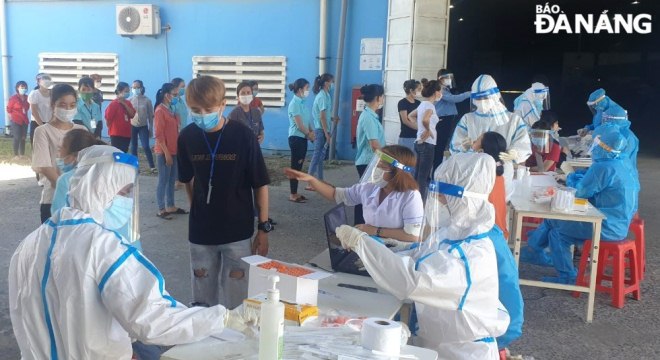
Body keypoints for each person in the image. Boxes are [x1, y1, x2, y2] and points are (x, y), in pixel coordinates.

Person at [10, 145, 257, 359]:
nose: (127, 201)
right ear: (100, 186)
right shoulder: (103, 247)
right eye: (125, 192)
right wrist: (222, 318)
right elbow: (151, 318)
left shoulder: (28, 245)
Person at [335, 153, 510, 359]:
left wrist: (363, 243)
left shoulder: (469, 256)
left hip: (462, 353)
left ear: (463, 199)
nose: (437, 199)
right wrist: (392, 247)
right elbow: (423, 253)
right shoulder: (456, 234)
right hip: (440, 344)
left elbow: (412, 281)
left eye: (442, 194)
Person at [178, 75, 271, 309]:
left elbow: (260, 183)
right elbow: (187, 179)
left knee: (237, 301)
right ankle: (203, 340)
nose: (201, 115)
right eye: (195, 109)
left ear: (223, 104)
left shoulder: (242, 136)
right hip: (201, 233)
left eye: (208, 109)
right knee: (201, 301)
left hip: (237, 232)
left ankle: (235, 342)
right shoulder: (187, 137)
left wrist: (263, 228)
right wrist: (195, 208)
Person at [521, 128, 638, 284]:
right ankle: (535, 249)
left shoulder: (604, 167)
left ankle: (565, 275)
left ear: (604, 147)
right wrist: (577, 177)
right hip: (619, 224)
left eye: (598, 143)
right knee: (553, 222)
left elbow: (581, 191)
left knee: (557, 229)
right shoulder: (621, 164)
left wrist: (570, 177)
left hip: (605, 226)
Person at [285, 145, 423, 243]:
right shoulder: (370, 188)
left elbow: (412, 236)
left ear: (397, 172)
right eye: (377, 165)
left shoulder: (410, 196)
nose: (376, 170)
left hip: (398, 256)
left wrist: (375, 231)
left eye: (382, 166)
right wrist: (312, 180)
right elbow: (336, 195)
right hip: (371, 250)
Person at [450, 74, 531, 197]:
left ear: (496, 95)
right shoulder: (468, 119)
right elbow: (455, 147)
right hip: (473, 174)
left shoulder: (513, 120)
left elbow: (523, 145)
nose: (481, 102)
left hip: (501, 174)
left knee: (497, 209)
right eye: (477, 99)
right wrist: (464, 148)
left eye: (485, 98)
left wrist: (515, 153)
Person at [31, 84, 87, 223]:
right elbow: (44, 166)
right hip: (53, 200)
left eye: (72, 105)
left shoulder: (81, 129)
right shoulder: (43, 131)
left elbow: (89, 163)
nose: (68, 109)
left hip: (81, 201)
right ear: (52, 105)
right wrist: (66, 192)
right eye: (62, 105)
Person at [51, 129, 105, 214]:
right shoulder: (105, 173)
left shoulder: (66, 180)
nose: (58, 154)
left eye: (60, 149)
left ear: (75, 156)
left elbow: (58, 216)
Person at [154, 83, 187, 220]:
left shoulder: (170, 110)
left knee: (172, 179)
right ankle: (161, 208)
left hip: (174, 149)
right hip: (164, 152)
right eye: (174, 94)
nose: (177, 96)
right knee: (163, 180)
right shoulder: (160, 111)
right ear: (167, 95)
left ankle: (171, 205)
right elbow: (159, 135)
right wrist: (167, 153)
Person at [355, 84, 386, 225]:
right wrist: (388, 161)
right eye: (382, 96)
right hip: (368, 162)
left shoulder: (371, 116)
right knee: (365, 197)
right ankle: (359, 226)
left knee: (368, 196)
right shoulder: (368, 117)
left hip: (371, 161)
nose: (383, 99)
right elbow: (374, 144)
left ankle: (363, 225)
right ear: (378, 98)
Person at [409, 79, 443, 201]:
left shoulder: (422, 104)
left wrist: (421, 129)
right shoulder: (430, 106)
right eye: (440, 91)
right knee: (423, 177)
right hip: (428, 144)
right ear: (435, 92)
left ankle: (412, 200)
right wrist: (428, 130)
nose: (441, 93)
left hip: (419, 143)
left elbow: (410, 116)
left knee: (417, 176)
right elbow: (425, 119)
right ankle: (419, 204)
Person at [434, 70, 471, 169]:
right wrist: (469, 94)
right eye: (447, 78)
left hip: (447, 119)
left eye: (450, 78)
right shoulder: (440, 90)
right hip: (442, 120)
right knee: (439, 147)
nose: (449, 80)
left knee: (441, 146)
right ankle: (435, 171)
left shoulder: (445, 89)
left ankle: (436, 169)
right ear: (441, 79)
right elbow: (454, 99)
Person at [287, 78, 315, 203]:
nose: (308, 91)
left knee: (299, 167)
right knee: (295, 167)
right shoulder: (294, 104)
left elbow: (307, 121)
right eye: (307, 88)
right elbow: (299, 125)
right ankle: (293, 194)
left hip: (303, 137)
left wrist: (311, 132)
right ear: (300, 89)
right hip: (296, 138)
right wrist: (309, 134)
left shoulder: (303, 103)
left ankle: (295, 192)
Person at [308, 73, 335, 182]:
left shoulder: (326, 95)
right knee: (316, 156)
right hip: (321, 130)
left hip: (323, 128)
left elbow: (326, 115)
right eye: (331, 81)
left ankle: (320, 179)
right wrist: (326, 133)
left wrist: (333, 119)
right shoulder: (322, 96)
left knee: (320, 157)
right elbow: (322, 117)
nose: (332, 84)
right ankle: (310, 181)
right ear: (326, 83)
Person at [129, 79, 156, 172]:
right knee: (133, 146)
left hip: (143, 126)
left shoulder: (147, 100)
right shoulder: (129, 100)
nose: (135, 89)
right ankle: (135, 167)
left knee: (145, 146)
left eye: (137, 87)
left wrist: (151, 129)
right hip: (132, 125)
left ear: (141, 88)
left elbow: (150, 116)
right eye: (134, 87)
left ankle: (152, 166)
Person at [105, 82, 136, 152]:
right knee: (116, 154)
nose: (128, 93)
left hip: (127, 134)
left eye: (128, 91)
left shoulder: (128, 103)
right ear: (119, 91)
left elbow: (132, 115)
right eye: (126, 91)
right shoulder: (113, 104)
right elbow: (108, 120)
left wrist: (124, 104)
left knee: (124, 153)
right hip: (116, 135)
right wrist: (112, 129)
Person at [28, 73, 52, 147]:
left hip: (49, 123)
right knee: (37, 146)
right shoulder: (34, 94)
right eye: (44, 79)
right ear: (38, 82)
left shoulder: (52, 93)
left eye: (48, 79)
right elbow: (34, 112)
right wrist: (42, 125)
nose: (46, 81)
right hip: (37, 123)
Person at [7, 81, 30, 159]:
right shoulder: (13, 98)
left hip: (24, 120)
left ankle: (22, 154)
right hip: (16, 120)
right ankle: (16, 155)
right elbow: (9, 110)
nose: (24, 89)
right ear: (17, 88)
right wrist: (12, 120)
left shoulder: (27, 98)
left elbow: (28, 107)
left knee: (23, 137)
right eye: (22, 87)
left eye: (25, 87)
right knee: (17, 137)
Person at [397, 79, 421, 151]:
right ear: (411, 90)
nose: (420, 91)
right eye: (419, 89)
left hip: (417, 137)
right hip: (406, 137)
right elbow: (405, 121)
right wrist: (418, 128)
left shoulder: (418, 102)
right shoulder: (402, 102)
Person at [89, 73, 105, 138]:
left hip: (99, 117)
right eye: (98, 81)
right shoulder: (88, 93)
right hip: (91, 118)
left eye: (100, 81)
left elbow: (100, 103)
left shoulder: (100, 92)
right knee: (92, 134)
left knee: (98, 134)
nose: (99, 83)